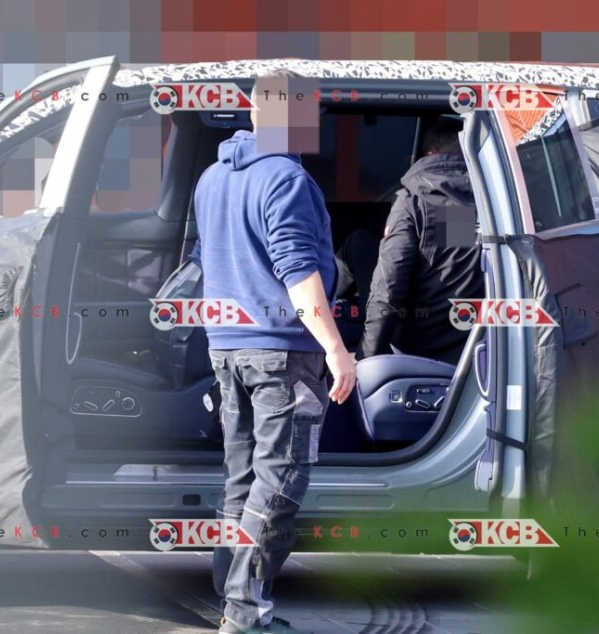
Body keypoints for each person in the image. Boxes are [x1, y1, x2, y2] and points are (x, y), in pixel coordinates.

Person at [190, 70, 356, 634]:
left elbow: (203, 259)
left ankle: (231, 601)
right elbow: (297, 270)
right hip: (282, 354)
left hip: (227, 348)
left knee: (242, 478)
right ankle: (245, 614)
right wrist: (336, 349)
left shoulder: (212, 177)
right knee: (281, 479)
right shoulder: (287, 179)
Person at [357, 118, 484, 365]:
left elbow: (389, 289)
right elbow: (455, 267)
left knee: (358, 243)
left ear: (430, 154)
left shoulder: (414, 200)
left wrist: (367, 358)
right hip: (480, 352)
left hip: (418, 356)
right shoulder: (487, 199)